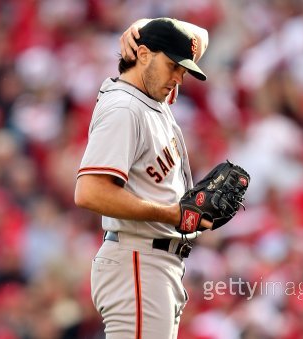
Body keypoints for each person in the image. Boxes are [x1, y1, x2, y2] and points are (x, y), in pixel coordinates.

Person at [74, 17, 210, 339]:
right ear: (144, 55)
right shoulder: (124, 107)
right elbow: (89, 192)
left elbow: (200, 37)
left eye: (183, 69)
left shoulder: (151, 96)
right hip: (138, 259)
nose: (179, 77)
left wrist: (144, 24)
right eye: (173, 66)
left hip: (153, 263)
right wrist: (171, 214)